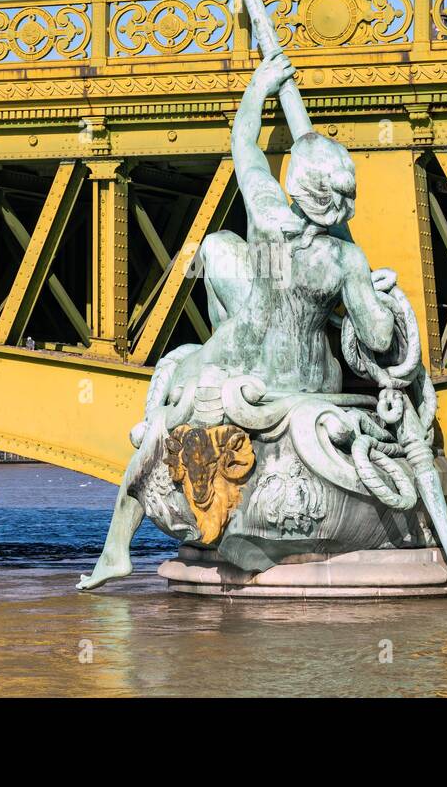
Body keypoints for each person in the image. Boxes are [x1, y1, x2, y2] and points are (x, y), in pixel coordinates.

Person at [77, 52, 398, 590]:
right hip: (309, 379)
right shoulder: (345, 260)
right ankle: (248, 540)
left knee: (161, 424)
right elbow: (379, 338)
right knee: (221, 252)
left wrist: (261, 86)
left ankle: (115, 550)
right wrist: (371, 290)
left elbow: (243, 145)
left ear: (296, 187)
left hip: (239, 357)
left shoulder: (270, 216)